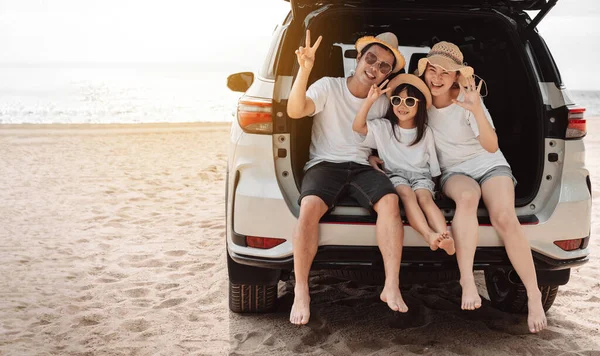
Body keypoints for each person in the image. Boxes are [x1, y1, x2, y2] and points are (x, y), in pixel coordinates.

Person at [415, 41, 547, 333]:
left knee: (504, 217)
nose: (437, 78)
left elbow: (491, 146)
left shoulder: (467, 98)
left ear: (455, 77)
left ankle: (534, 295)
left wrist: (475, 110)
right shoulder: (419, 99)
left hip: (488, 163)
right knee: (467, 197)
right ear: (424, 70)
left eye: (445, 73)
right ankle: (466, 281)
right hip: (454, 171)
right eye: (432, 70)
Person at [286, 30, 407, 325]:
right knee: (310, 207)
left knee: (391, 201)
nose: (375, 68)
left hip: (362, 166)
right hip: (325, 164)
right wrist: (304, 70)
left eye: (384, 67)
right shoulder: (328, 87)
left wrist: (376, 157)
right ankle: (301, 290)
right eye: (371, 59)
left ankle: (391, 284)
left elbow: (384, 136)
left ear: (387, 73)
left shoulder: (381, 101)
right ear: (358, 58)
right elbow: (295, 110)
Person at [353, 74, 455, 255]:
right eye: (397, 100)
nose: (402, 105)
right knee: (407, 195)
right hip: (396, 175)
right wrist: (370, 101)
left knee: (425, 199)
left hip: (421, 176)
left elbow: (433, 164)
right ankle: (429, 235)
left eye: (409, 101)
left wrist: (436, 185)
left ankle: (445, 236)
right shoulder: (384, 127)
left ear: (419, 105)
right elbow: (358, 127)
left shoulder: (425, 132)